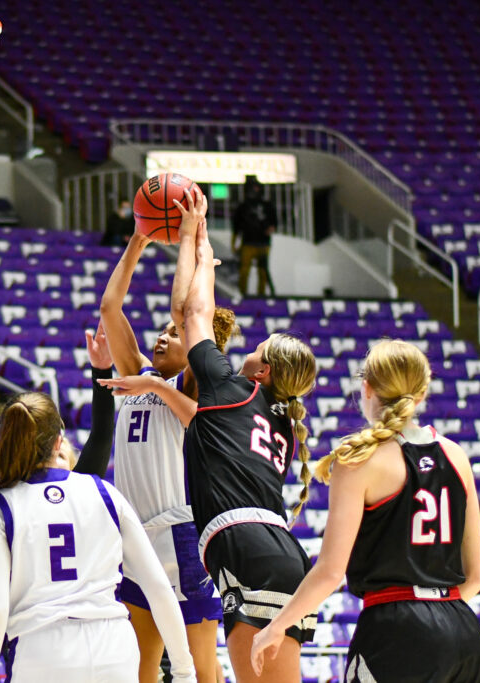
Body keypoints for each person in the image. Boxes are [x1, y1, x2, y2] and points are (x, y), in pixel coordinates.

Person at [250, 340, 480, 682]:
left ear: (367, 388)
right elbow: (476, 576)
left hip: (396, 628)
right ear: (421, 394)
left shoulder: (359, 459)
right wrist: (436, 610)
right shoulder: (456, 456)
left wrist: (276, 626)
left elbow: (331, 572)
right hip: (463, 631)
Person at [173, 204, 318, 683]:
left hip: (245, 546)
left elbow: (195, 314)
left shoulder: (232, 388)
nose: (250, 346)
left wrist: (200, 240)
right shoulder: (285, 423)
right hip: (283, 551)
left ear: (266, 369)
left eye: (260, 346)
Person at [96, 192, 233, 683]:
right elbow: (111, 305)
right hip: (134, 534)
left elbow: (186, 311)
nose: (162, 337)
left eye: (173, 336)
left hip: (181, 532)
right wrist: (137, 238)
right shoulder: (134, 375)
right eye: (161, 333)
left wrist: (193, 239)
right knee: (141, 663)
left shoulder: (189, 384)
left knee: (201, 662)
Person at [0, 392, 197, 683]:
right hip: (115, 647)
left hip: (42, 650)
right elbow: (158, 587)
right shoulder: (104, 492)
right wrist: (183, 671)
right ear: (57, 441)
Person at [231, 175, 276, 297]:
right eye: (252, 187)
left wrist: (271, 228)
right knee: (244, 270)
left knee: (262, 271)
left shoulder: (266, 205)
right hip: (248, 243)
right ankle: (242, 293)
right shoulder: (243, 206)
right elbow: (236, 226)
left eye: (256, 187)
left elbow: (274, 222)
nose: (254, 190)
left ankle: (261, 296)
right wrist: (234, 243)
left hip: (263, 243)